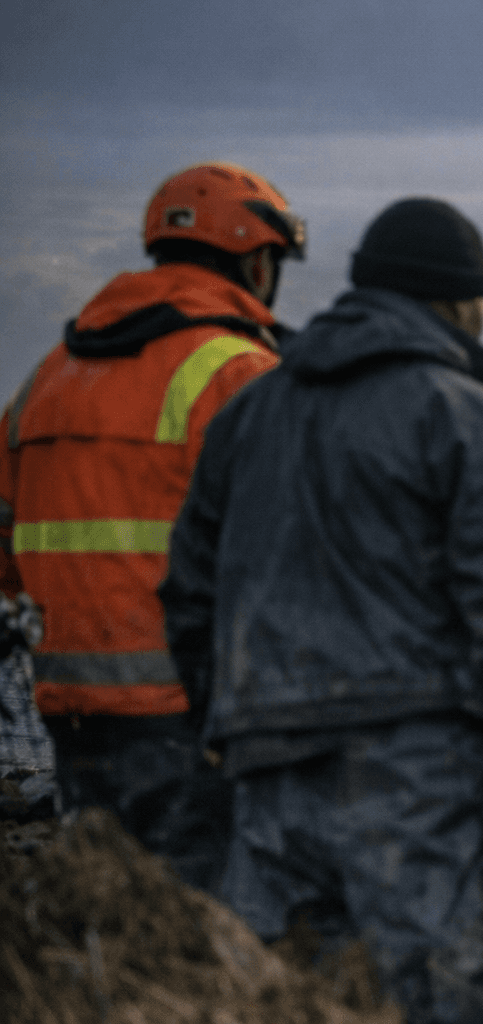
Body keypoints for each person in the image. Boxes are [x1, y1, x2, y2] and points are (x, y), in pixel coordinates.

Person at [159, 197, 483, 1024]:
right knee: (453, 1002)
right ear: (462, 300)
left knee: (297, 1000)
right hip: (422, 778)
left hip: (269, 777)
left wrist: (227, 723)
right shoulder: (466, 417)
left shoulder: (248, 415)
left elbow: (188, 597)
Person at [0, 162, 302, 890]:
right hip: (194, 709)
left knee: (113, 903)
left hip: (67, 707)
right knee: (203, 918)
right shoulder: (239, 374)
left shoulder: (46, 379)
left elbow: (8, 560)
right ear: (257, 260)